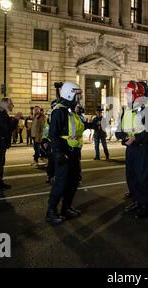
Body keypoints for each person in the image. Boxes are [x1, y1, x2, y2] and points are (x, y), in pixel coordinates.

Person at [46, 82, 84, 225]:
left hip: (73, 153)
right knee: (60, 184)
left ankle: (66, 208)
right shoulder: (59, 110)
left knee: (73, 181)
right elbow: (53, 134)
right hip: (64, 153)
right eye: (76, 94)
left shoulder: (71, 110)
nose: (78, 98)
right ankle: (51, 211)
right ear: (69, 93)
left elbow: (75, 130)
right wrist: (59, 153)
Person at [115, 81, 148, 219]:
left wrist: (136, 138)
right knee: (131, 177)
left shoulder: (147, 109)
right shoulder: (126, 109)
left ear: (136, 93)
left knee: (143, 178)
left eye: (128, 93)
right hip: (130, 149)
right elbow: (119, 129)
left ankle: (145, 205)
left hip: (142, 149)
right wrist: (123, 136)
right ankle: (137, 201)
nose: (126, 95)